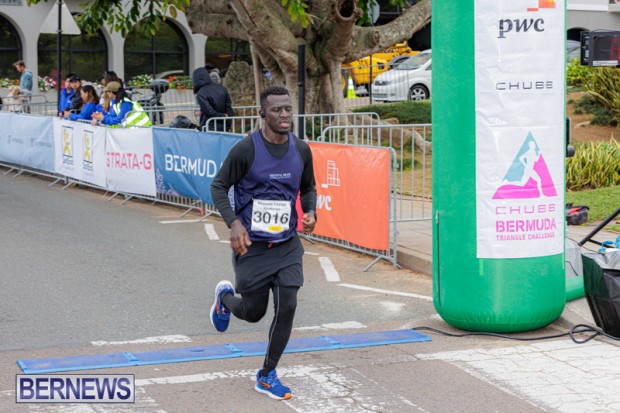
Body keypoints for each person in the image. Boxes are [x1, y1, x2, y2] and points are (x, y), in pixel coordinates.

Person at [209, 86, 317, 401]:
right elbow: (219, 186)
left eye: (288, 109)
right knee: (253, 312)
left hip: (286, 245)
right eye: (276, 110)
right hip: (252, 247)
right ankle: (224, 299)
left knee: (288, 306)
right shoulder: (246, 149)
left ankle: (267, 374)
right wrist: (234, 223)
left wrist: (310, 211)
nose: (284, 115)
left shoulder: (301, 150)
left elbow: (308, 187)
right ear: (262, 114)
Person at [192, 67, 233, 131]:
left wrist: (222, 116)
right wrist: (228, 120)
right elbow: (229, 109)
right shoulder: (222, 88)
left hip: (208, 126)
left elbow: (209, 111)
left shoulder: (200, 93)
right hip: (224, 126)